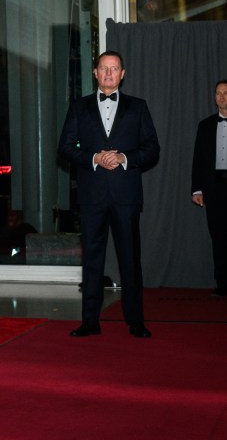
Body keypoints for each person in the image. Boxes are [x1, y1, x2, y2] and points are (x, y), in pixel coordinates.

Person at [58, 51, 160, 338]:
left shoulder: (138, 107)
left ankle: (136, 321)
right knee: (92, 260)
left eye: (114, 69)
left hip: (126, 195)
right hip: (91, 196)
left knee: (130, 259)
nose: (108, 73)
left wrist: (124, 158)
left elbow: (152, 149)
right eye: (104, 68)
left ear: (122, 74)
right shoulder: (79, 107)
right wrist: (94, 158)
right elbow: (65, 147)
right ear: (95, 73)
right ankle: (90, 322)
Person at [190, 79, 227, 297]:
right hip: (214, 190)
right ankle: (223, 284)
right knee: (219, 239)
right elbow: (198, 159)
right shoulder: (205, 125)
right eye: (218, 93)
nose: (221, 97)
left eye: (226, 93)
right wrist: (197, 189)